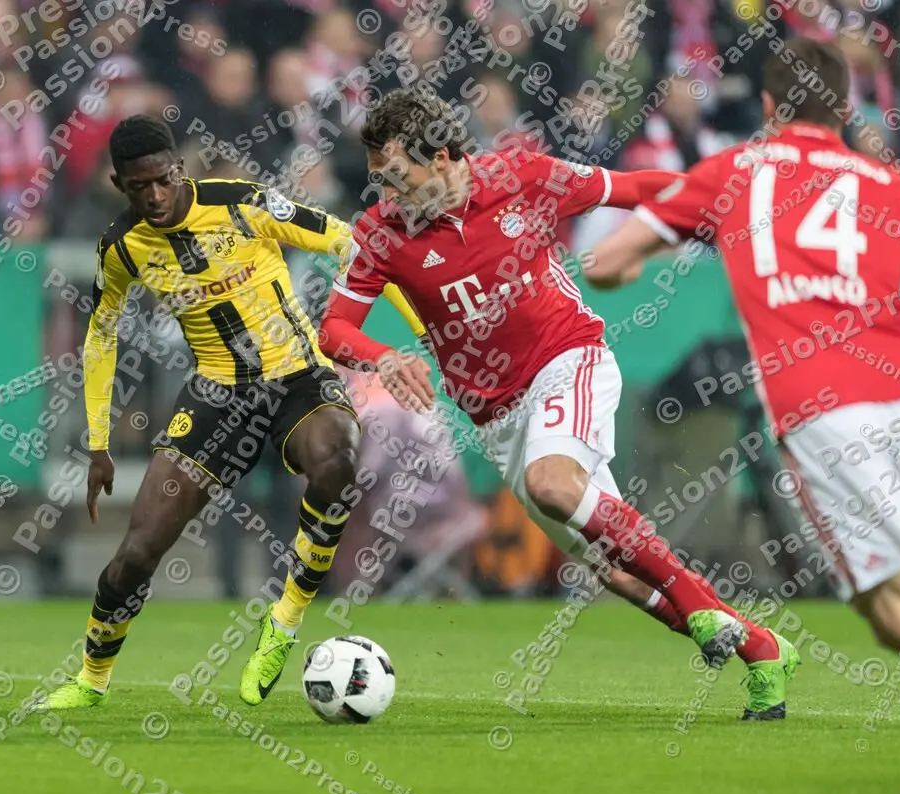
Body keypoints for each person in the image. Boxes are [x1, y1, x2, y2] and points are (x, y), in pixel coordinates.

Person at [318, 84, 798, 720]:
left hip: (568, 361)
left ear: (441, 157)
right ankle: (762, 649)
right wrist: (383, 355)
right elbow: (335, 330)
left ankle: (707, 611)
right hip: (495, 416)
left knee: (554, 485)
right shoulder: (380, 233)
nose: (386, 192)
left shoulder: (524, 175)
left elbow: (629, 189)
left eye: (397, 174)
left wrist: (722, 202)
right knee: (616, 571)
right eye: (378, 178)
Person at [37, 115, 426, 711]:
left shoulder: (244, 204)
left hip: (297, 375)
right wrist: (98, 444)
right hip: (217, 396)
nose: (156, 196)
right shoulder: (121, 247)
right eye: (140, 187)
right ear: (121, 184)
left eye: (164, 181)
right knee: (137, 553)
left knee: (337, 462)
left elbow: (356, 242)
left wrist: (426, 331)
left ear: (179, 169)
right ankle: (90, 679)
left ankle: (286, 620)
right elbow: (100, 339)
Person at [583, 37, 900, 673]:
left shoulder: (733, 171)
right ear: (846, 111)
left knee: (893, 605)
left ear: (767, 104)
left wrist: (621, 272)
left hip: (824, 409)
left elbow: (605, 260)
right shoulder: (892, 184)